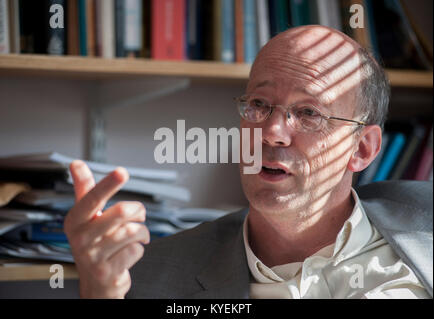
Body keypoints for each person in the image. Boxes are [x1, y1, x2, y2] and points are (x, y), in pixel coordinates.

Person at [64, 25, 433, 299]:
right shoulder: (145, 278)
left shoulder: (423, 232)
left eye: (308, 112)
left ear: (362, 150)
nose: (272, 132)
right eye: (258, 105)